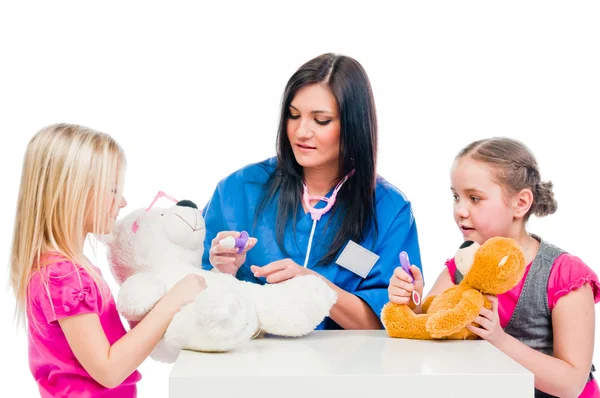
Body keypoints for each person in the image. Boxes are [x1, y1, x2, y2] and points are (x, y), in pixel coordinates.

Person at [201, 53, 422, 330]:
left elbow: (387, 321)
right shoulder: (239, 190)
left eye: (321, 120)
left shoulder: (388, 209)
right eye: (293, 115)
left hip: (344, 371)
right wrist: (223, 272)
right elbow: (191, 294)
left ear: (353, 126)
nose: (301, 132)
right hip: (248, 366)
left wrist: (316, 288)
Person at [388, 137, 599, 397]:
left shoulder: (564, 274)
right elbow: (431, 329)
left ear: (520, 203)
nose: (460, 210)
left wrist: (498, 339)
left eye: (474, 198)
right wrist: (413, 301)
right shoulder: (461, 266)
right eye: (456, 197)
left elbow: (571, 384)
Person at [9, 123, 206, 397]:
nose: (123, 202)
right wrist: (174, 300)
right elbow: (110, 370)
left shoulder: (66, 269)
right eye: (113, 190)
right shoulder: (64, 276)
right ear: (72, 192)